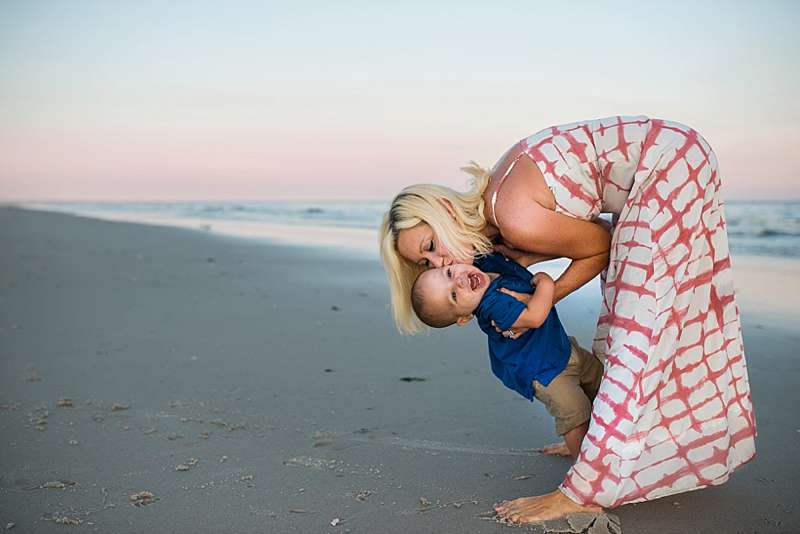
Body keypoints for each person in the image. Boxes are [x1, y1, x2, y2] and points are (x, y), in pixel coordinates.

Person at [379, 115, 756, 523]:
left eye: (432, 244)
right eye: (428, 262)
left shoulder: (513, 216)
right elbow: (586, 228)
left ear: (443, 209)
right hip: (677, 154)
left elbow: (599, 244)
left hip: (670, 165)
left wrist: (542, 294)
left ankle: (585, 489)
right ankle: (632, 446)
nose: (440, 261)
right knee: (638, 321)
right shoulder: (498, 210)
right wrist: (530, 258)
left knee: (640, 332)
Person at [411, 252, 604, 458]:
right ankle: (584, 464)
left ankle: (584, 443)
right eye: (454, 296)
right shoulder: (492, 305)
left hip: (562, 348)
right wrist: (546, 282)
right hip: (545, 372)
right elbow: (535, 317)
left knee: (602, 385)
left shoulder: (484, 265)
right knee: (575, 413)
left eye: (449, 272)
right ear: (465, 317)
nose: (458, 281)